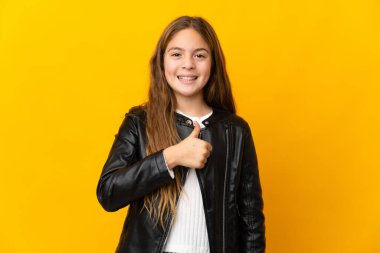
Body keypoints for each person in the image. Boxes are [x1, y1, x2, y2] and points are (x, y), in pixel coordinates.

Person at [96, 15, 265, 253]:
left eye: (200, 55)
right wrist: (169, 158)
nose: (188, 64)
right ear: (161, 62)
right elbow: (108, 193)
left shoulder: (235, 130)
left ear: (213, 63)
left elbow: (251, 218)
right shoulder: (139, 122)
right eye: (176, 54)